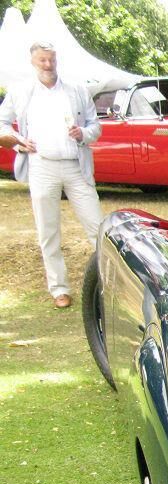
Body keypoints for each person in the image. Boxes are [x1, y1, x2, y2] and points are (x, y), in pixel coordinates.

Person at [0, 41, 102, 309]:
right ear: (33, 62)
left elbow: (95, 125)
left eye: (51, 60)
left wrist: (84, 133)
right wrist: (19, 141)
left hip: (75, 164)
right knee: (48, 230)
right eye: (42, 60)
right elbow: (1, 123)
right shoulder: (21, 91)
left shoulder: (77, 89)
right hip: (41, 165)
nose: (48, 65)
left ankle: (107, 282)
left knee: (96, 226)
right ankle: (59, 288)